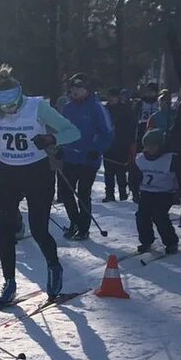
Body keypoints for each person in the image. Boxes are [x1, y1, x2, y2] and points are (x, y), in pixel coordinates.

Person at [0, 65, 82, 304]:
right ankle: (9, 282)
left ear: (20, 95)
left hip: (37, 173)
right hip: (8, 173)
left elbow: (73, 132)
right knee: (6, 231)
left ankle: (54, 267)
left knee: (38, 228)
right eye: (4, 105)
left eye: (12, 105)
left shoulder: (37, 107)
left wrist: (51, 138)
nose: (9, 110)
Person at [56, 73, 114, 241]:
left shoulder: (96, 107)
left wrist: (97, 149)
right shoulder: (67, 108)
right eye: (73, 88)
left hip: (89, 159)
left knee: (83, 193)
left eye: (79, 88)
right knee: (65, 193)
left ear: (87, 90)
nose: (75, 91)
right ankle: (75, 222)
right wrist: (59, 146)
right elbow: (61, 130)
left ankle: (84, 228)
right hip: (69, 157)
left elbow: (108, 133)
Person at [127, 128, 181, 255]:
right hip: (146, 191)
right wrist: (134, 191)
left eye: (152, 146)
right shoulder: (140, 159)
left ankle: (171, 242)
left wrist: (180, 190)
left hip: (165, 192)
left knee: (159, 216)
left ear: (160, 146)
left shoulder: (171, 159)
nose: (148, 149)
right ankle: (146, 241)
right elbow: (133, 176)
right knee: (142, 216)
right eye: (146, 146)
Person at [103, 87, 136, 202]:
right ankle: (109, 194)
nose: (111, 99)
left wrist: (130, 141)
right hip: (108, 144)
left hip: (122, 143)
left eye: (113, 96)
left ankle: (123, 193)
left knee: (121, 171)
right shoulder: (104, 109)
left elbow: (131, 126)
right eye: (109, 96)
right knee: (108, 172)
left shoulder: (125, 109)